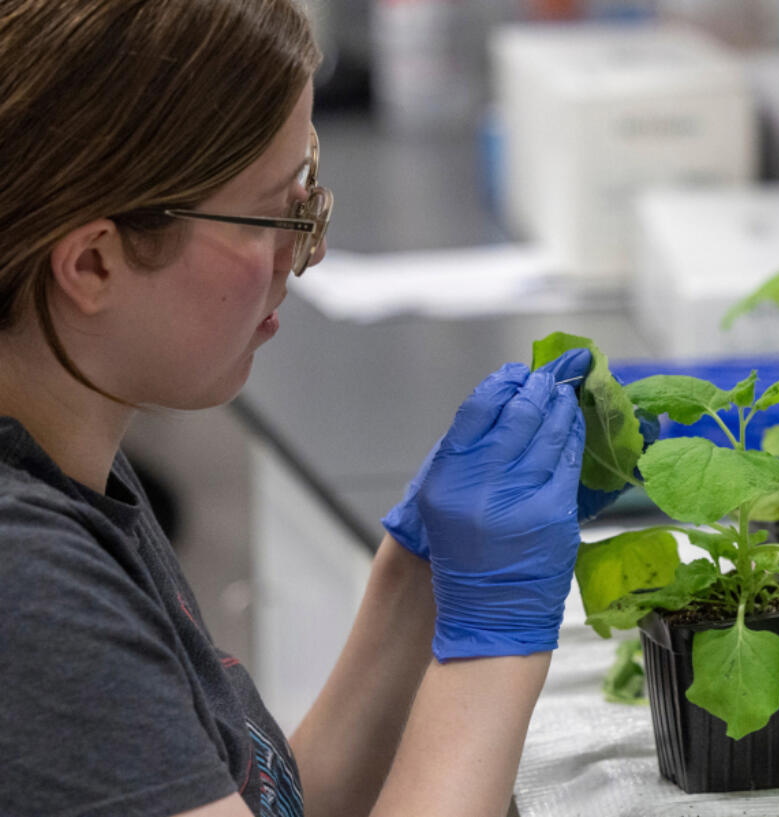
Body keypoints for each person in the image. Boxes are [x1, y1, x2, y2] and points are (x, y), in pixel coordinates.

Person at [0, 2, 606, 816]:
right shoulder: (28, 587)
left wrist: (416, 583)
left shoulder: (66, 441)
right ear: (94, 263)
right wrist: (494, 648)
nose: (307, 251)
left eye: (307, 190)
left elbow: (265, 802)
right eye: (272, 213)